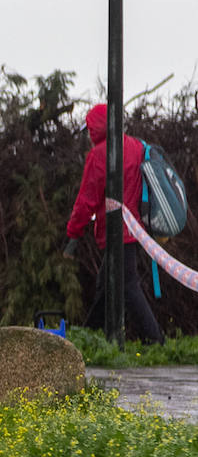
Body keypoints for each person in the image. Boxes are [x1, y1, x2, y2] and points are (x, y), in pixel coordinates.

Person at [64, 102, 165, 345]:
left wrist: (72, 235)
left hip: (116, 230)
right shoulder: (134, 146)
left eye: (90, 129)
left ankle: (155, 340)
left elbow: (86, 200)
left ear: (95, 129)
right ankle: (89, 336)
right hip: (135, 228)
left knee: (128, 285)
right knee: (105, 286)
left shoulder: (100, 154)